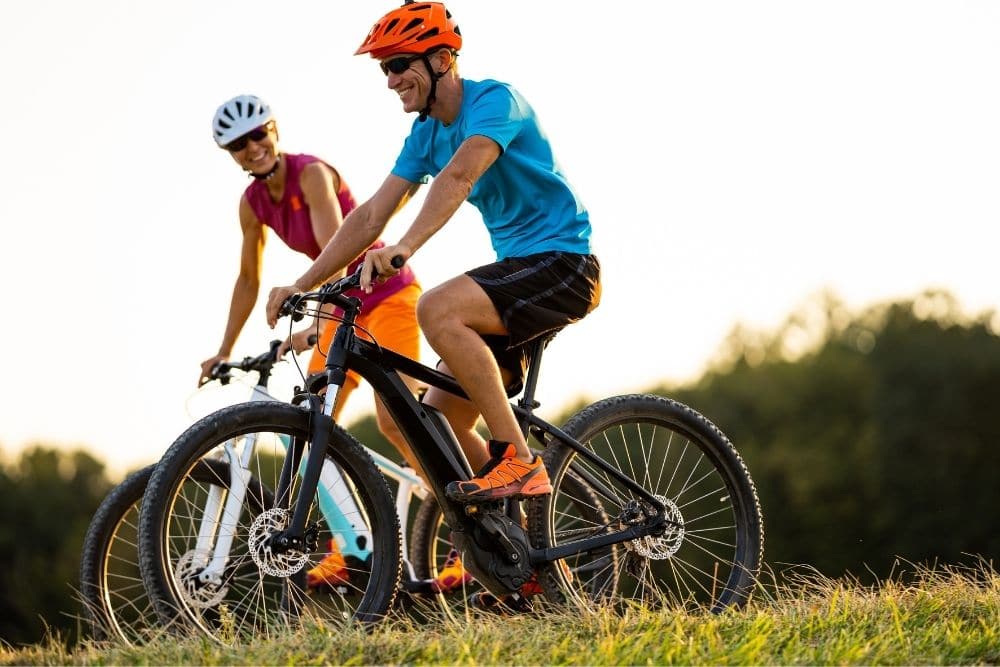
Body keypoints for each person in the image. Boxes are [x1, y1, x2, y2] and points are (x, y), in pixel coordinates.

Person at [266, 1, 599, 507]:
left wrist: (403, 249)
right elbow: (370, 215)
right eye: (384, 68)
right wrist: (303, 282)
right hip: (517, 273)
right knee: (433, 420)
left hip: (563, 263)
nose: (390, 80)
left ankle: (519, 461)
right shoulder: (425, 134)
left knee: (437, 308)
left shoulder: (495, 103)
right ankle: (524, 553)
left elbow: (460, 177)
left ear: (442, 59)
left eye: (399, 64)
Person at [203, 93, 425, 589]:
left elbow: (337, 252)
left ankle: (454, 532)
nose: (252, 148)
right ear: (232, 155)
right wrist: (224, 348)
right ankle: (353, 546)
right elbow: (247, 279)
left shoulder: (311, 175)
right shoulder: (253, 203)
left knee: (397, 420)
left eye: (257, 135)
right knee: (308, 427)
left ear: (275, 131)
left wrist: (311, 327)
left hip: (385, 296)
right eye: (239, 144)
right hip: (339, 308)